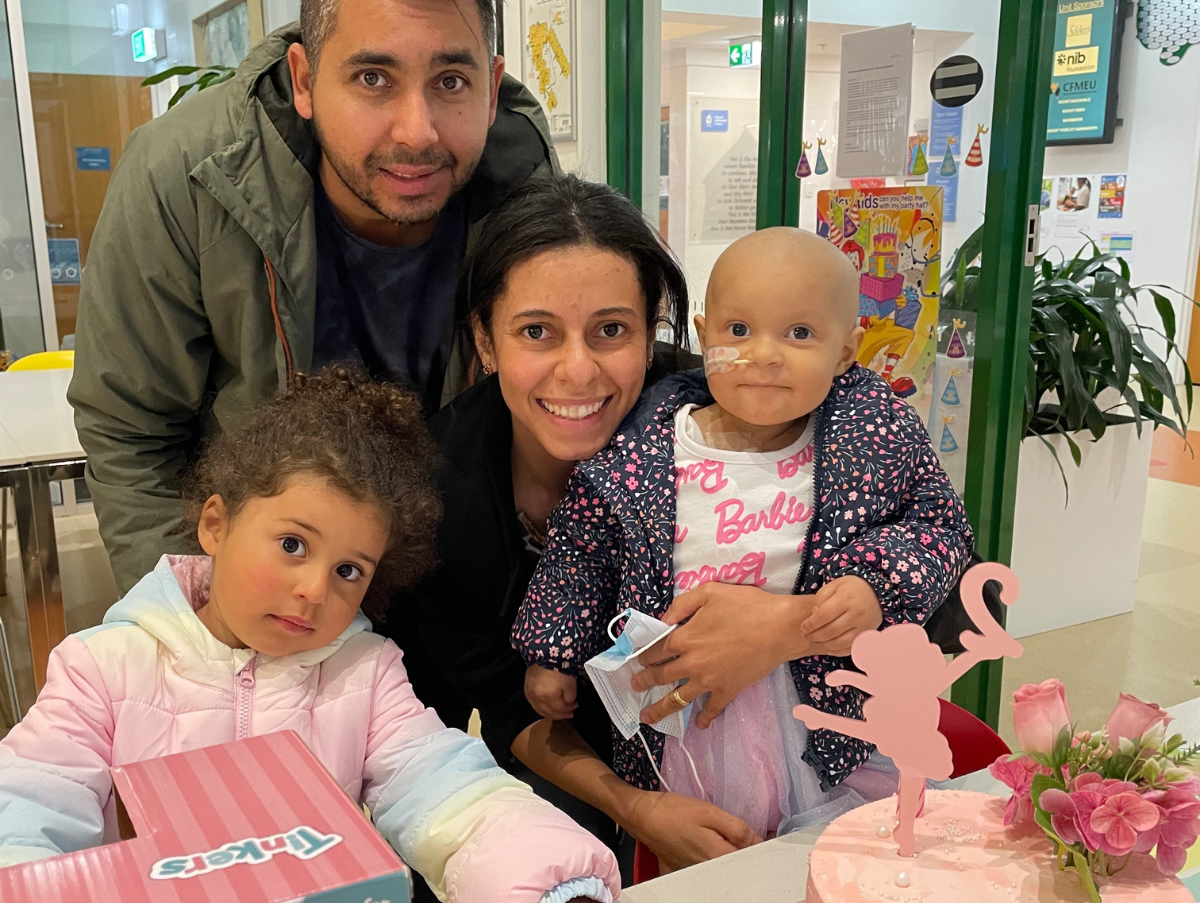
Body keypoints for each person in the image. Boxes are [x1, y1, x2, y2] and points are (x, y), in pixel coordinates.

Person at [0, 368, 617, 903]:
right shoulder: (103, 668)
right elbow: (31, 805)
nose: (316, 591)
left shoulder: (364, 673)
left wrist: (545, 875)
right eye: (292, 545)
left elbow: (448, 792)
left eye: (349, 570)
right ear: (215, 525)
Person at [68, 0, 557, 594]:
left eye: (451, 82)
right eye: (372, 78)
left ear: (491, 88)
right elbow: (131, 432)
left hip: (461, 596)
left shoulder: (527, 186)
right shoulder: (187, 175)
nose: (417, 131)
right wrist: (200, 632)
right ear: (304, 80)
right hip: (274, 592)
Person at [512, 228, 975, 845]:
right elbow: (581, 551)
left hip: (833, 712)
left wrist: (873, 585)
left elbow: (939, 526)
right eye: (738, 331)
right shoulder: (645, 444)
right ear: (703, 338)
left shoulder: (875, 436)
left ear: (846, 351)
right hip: (691, 724)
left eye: (800, 334)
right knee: (720, 859)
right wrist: (553, 651)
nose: (764, 354)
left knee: (849, 857)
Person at [385, 173, 772, 876]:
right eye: (537, 331)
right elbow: (509, 709)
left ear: (653, 329)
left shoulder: (727, 413)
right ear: (485, 339)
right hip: (560, 752)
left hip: (739, 731)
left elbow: (949, 582)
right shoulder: (436, 491)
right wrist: (639, 807)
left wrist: (785, 625)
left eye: (611, 330)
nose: (578, 369)